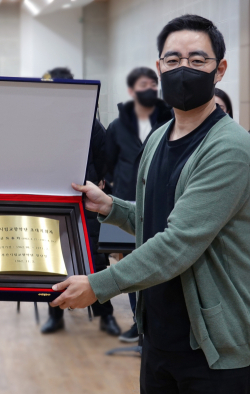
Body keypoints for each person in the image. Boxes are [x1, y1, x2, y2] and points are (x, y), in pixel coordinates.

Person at [51, 15, 250, 394]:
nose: (184, 69)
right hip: (160, 337)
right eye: (173, 60)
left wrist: (98, 285)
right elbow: (157, 221)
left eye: (197, 60)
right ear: (159, 67)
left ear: (220, 69)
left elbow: (178, 243)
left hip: (217, 347)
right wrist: (111, 206)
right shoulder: (158, 139)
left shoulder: (230, 148)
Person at [40, 67, 120, 336]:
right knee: (53, 260)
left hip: (85, 203)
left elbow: (105, 158)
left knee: (94, 260)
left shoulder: (90, 124)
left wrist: (99, 182)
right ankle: (55, 315)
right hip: (50, 202)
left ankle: (105, 314)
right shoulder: (42, 124)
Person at [103, 67, 172, 343]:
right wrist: (118, 187)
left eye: (154, 84)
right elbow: (108, 164)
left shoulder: (169, 120)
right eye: (144, 85)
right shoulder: (117, 126)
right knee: (131, 264)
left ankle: (159, 322)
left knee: (158, 261)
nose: (150, 89)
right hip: (126, 203)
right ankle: (137, 322)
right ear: (132, 91)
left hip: (160, 201)